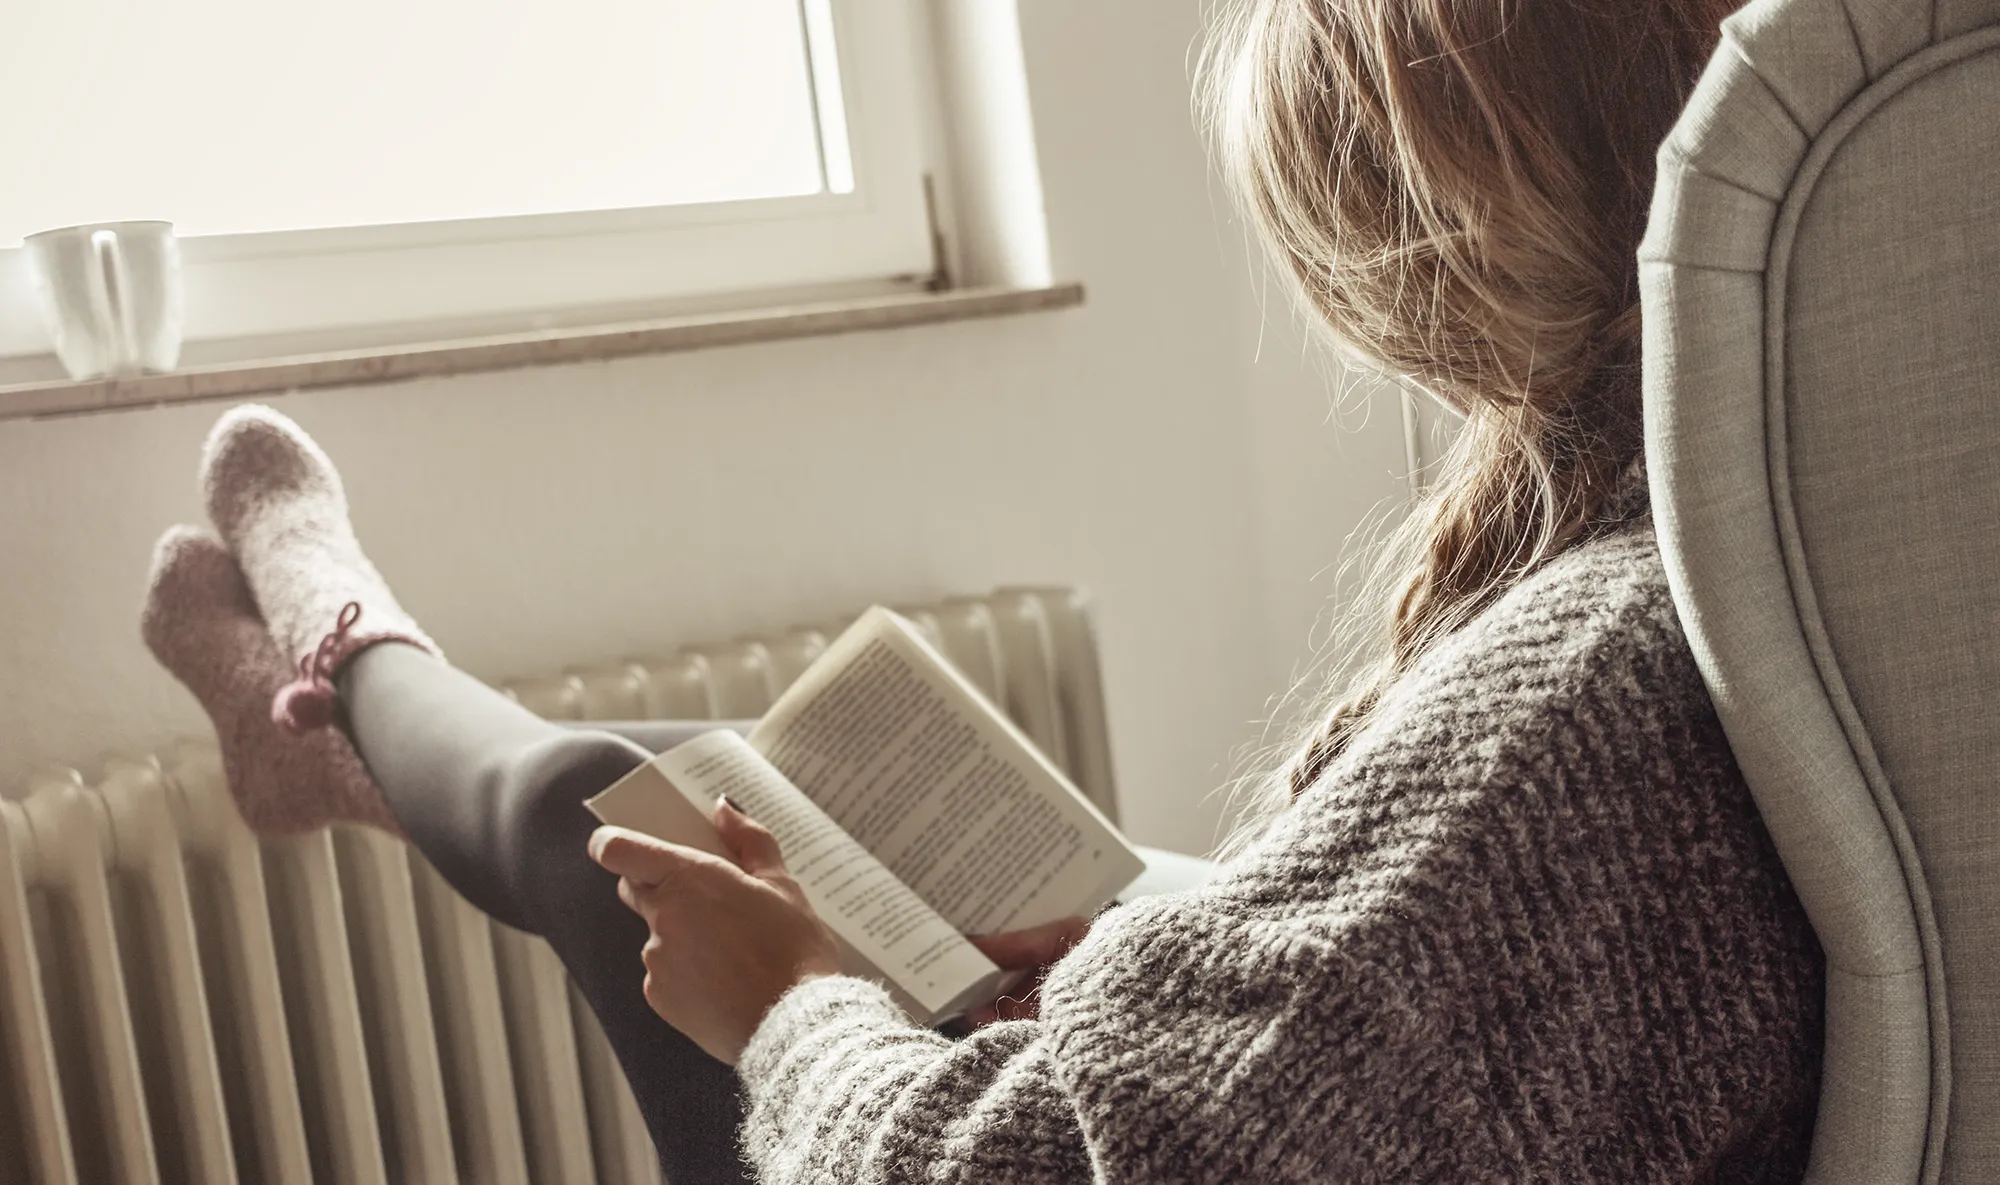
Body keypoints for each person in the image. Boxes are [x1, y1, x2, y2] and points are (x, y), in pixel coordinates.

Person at [139, 0, 1825, 1180]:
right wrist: (1150, 954)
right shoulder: (1768, 566)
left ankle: (351, 663)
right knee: (738, 802)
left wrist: (797, 1007)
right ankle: (353, 715)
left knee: (623, 816)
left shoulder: (1595, 685)